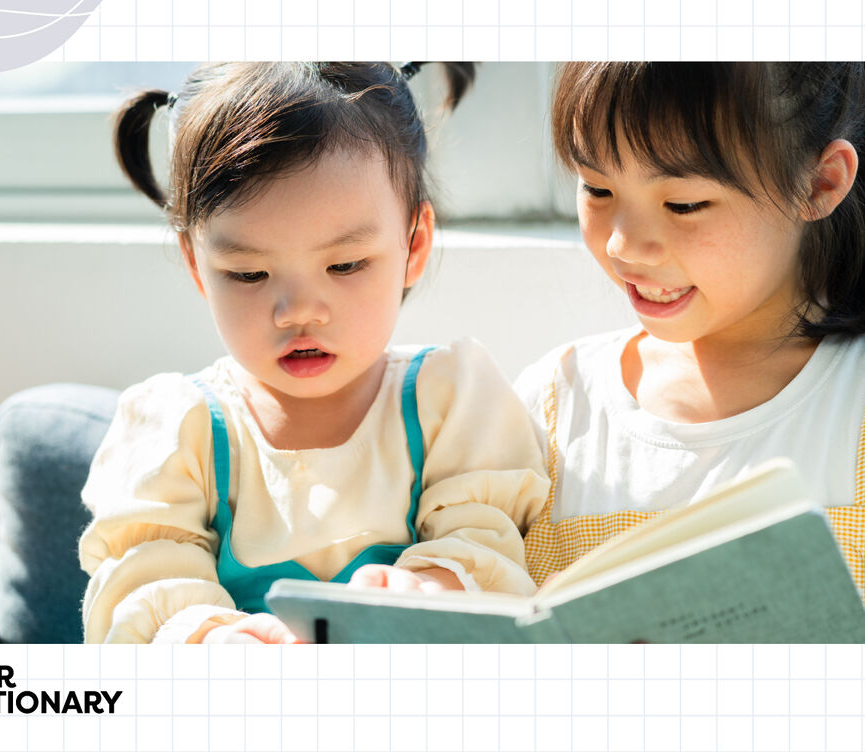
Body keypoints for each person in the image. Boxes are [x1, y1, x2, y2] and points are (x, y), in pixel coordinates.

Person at [79, 62, 548, 644]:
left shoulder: (450, 402)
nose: (299, 311)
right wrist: (211, 638)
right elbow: (142, 590)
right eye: (249, 272)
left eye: (345, 265)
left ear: (414, 245)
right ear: (197, 264)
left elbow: (488, 542)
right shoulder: (180, 430)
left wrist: (434, 584)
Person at [516, 62, 865, 642]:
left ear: (820, 184)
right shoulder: (553, 404)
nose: (624, 245)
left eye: (683, 204)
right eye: (598, 189)